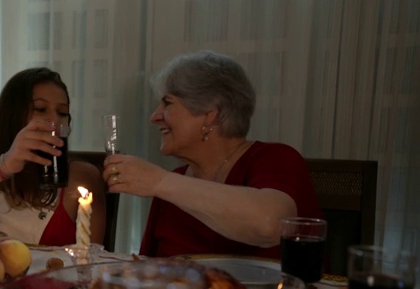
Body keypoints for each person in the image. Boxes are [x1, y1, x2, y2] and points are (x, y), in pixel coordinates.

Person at [103, 50, 322, 259]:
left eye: (167, 103)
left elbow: (271, 225)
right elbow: (147, 270)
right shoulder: (172, 182)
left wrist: (158, 181)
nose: (155, 117)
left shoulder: (275, 158)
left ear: (209, 114)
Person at [0, 67, 106, 246]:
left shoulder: (81, 176)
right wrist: (4, 165)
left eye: (62, 113)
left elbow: (93, 260)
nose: (54, 120)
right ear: (12, 116)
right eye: (40, 109)